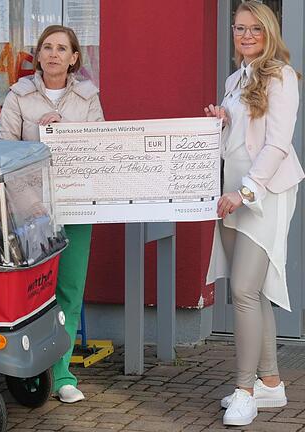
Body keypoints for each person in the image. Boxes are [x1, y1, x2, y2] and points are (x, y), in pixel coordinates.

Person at [204, 2, 303, 426]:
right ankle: (271, 384)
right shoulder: (234, 79)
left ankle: (245, 389)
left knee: (243, 290)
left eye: (254, 29)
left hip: (263, 194)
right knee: (253, 291)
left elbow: (278, 144)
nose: (246, 36)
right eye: (239, 28)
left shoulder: (281, 75)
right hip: (232, 194)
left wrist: (245, 192)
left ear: (268, 32)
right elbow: (239, 141)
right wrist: (222, 121)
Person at [0, 24, 104, 404]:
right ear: (38, 55)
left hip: (76, 206)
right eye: (47, 47)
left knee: (69, 291)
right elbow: (2, 153)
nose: (54, 54)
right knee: (32, 293)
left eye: (62, 48)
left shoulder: (88, 97)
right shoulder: (19, 95)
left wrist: (65, 131)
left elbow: (99, 148)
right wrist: (29, 201)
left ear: (74, 58)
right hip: (30, 212)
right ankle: (24, 371)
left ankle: (61, 376)